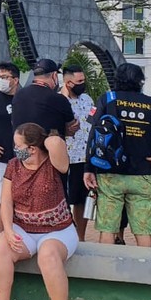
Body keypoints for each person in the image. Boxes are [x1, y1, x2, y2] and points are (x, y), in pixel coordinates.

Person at [0, 123, 77, 300]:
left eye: (18, 145)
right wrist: (6, 230)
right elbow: (6, 201)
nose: (14, 149)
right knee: (1, 247)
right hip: (24, 228)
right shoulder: (14, 165)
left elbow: (57, 147)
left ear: (33, 148)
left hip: (58, 231)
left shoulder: (54, 164)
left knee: (48, 255)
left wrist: (50, 138)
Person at [83, 63, 151, 247]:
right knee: (144, 230)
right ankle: (145, 272)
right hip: (142, 174)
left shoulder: (108, 99)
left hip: (110, 174)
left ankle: (107, 272)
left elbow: (94, 135)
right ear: (140, 82)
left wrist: (88, 168)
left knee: (108, 229)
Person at [61, 65, 95, 241]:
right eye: (79, 81)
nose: (83, 84)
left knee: (81, 200)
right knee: (64, 200)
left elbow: (92, 121)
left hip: (84, 158)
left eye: (84, 80)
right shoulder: (59, 100)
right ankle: (66, 235)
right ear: (68, 83)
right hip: (65, 158)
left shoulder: (87, 99)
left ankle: (80, 237)